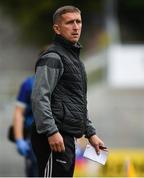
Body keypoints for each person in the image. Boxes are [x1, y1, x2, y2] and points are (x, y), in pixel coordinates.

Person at [31, 5, 105, 177]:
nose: (76, 26)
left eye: (78, 22)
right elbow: (39, 97)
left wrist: (91, 134)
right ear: (57, 28)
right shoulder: (52, 57)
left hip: (67, 137)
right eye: (70, 22)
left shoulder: (76, 61)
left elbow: (76, 103)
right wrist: (51, 131)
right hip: (54, 137)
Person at [13, 75, 38, 177]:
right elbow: (18, 112)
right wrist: (19, 139)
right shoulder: (29, 84)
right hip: (33, 138)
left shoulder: (64, 82)